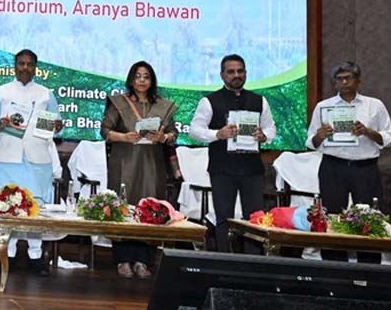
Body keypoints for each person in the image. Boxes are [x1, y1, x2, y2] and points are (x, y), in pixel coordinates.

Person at [0, 49, 63, 275]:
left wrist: (58, 126)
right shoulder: (1, 92)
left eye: (29, 64)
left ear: (35, 68)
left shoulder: (46, 94)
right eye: (21, 63)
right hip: (7, 157)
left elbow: (56, 124)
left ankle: (35, 257)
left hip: (38, 159)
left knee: (35, 207)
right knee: (7, 206)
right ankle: (6, 255)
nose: (25, 68)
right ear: (15, 66)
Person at [307, 61, 391, 263]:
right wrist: (320, 135)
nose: (344, 82)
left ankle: (369, 270)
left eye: (348, 78)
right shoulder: (323, 107)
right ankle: (334, 268)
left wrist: (368, 132)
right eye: (339, 79)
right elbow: (310, 142)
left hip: (365, 168)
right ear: (334, 83)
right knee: (332, 219)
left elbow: (390, 138)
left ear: (358, 80)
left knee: (369, 220)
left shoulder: (375, 105)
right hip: (333, 167)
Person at [190, 54, 275, 253]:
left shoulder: (259, 100)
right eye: (231, 72)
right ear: (222, 75)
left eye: (240, 71)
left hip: (252, 169)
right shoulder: (209, 101)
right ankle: (225, 260)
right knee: (223, 217)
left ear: (246, 73)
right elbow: (194, 130)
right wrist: (217, 134)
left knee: (255, 219)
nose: (236, 75)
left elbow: (271, 128)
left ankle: (253, 262)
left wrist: (264, 136)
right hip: (222, 169)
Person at [101, 61, 178, 278]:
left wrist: (163, 137)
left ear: (152, 80)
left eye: (146, 76)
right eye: (138, 76)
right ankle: (123, 260)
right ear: (131, 80)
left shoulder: (162, 105)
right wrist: (124, 137)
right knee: (124, 206)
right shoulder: (119, 102)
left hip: (152, 163)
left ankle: (143, 261)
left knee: (150, 207)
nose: (142, 80)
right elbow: (105, 131)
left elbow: (173, 134)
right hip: (124, 161)